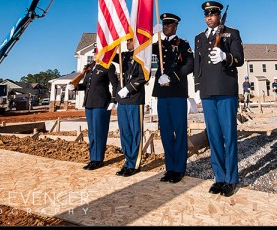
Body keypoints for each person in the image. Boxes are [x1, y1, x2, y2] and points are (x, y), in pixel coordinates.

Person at [193, 1, 244, 197]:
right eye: (206, 14)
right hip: (207, 93)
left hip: (225, 91)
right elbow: (198, 65)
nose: (209, 17)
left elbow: (240, 59)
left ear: (218, 14)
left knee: (228, 136)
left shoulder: (232, 33)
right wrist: (198, 87)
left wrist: (225, 56)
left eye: (213, 14)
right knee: (213, 137)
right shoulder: (199, 38)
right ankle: (219, 177)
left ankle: (231, 179)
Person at [151, 12, 194, 184]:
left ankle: (179, 169)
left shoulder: (183, 44)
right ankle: (170, 168)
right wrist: (151, 33)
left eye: (168, 25)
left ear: (175, 26)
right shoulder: (158, 44)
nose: (165, 27)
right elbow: (142, 50)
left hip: (176, 92)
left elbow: (190, 64)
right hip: (162, 94)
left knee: (180, 131)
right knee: (166, 132)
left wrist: (173, 76)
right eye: (163, 25)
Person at [68, 52, 117, 170]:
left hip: (101, 103)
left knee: (99, 132)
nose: (96, 54)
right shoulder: (90, 69)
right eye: (95, 52)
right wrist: (75, 87)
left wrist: (114, 100)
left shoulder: (108, 66)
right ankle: (93, 158)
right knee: (91, 133)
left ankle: (99, 159)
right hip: (89, 103)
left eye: (98, 51)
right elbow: (85, 85)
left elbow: (115, 84)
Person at [113, 38, 148, 177]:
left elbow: (144, 76)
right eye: (126, 41)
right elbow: (108, 57)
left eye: (130, 41)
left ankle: (135, 164)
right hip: (122, 100)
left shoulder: (142, 55)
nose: (127, 43)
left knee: (135, 132)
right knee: (125, 132)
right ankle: (128, 161)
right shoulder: (124, 56)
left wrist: (128, 88)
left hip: (134, 98)